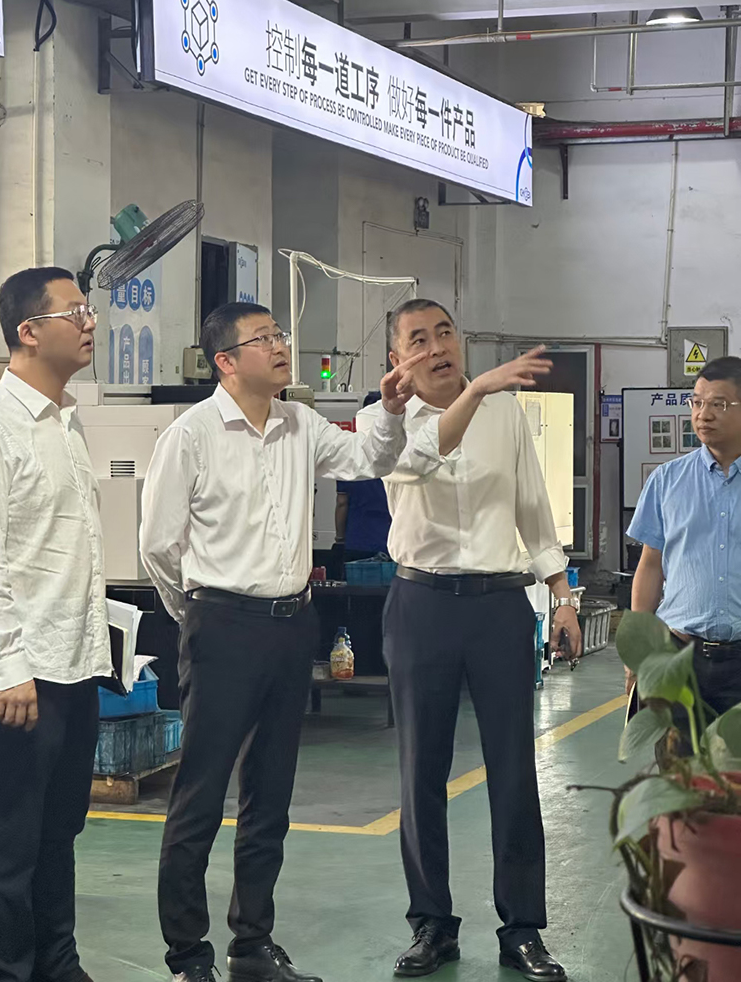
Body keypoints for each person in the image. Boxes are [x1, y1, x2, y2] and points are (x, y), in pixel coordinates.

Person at [139, 302, 426, 982]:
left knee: (270, 797)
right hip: (222, 626)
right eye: (263, 338)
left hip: (292, 624)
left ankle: (252, 943)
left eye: (280, 334)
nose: (280, 346)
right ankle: (188, 954)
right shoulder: (191, 435)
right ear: (225, 361)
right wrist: (200, 614)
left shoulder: (300, 423)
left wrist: (388, 409)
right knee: (201, 794)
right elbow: (157, 544)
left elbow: (367, 458)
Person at [357, 299, 582, 982]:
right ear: (397, 359)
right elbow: (419, 465)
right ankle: (431, 923)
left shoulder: (504, 413)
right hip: (421, 602)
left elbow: (531, 504)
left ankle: (523, 927)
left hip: (498, 605)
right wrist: (478, 390)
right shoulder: (382, 423)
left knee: (513, 768)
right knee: (421, 769)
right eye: (418, 339)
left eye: (445, 333)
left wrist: (562, 595)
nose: (437, 348)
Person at [0, 267, 109, 982]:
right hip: (20, 675)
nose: (90, 322)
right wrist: (8, 665)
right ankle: (7, 970)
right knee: (10, 840)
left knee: (59, 829)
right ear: (29, 331)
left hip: (75, 663)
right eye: (75, 311)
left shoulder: (67, 422)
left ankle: (57, 962)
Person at [625, 356, 741, 746]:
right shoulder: (667, 481)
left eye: (719, 404)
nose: (703, 414)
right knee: (678, 772)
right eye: (697, 402)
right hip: (677, 655)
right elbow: (650, 566)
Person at [335, 391, 392, 563]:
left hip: (358, 539)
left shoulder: (350, 454)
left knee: (358, 580)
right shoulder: (396, 452)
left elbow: (342, 502)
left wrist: (340, 538)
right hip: (391, 540)